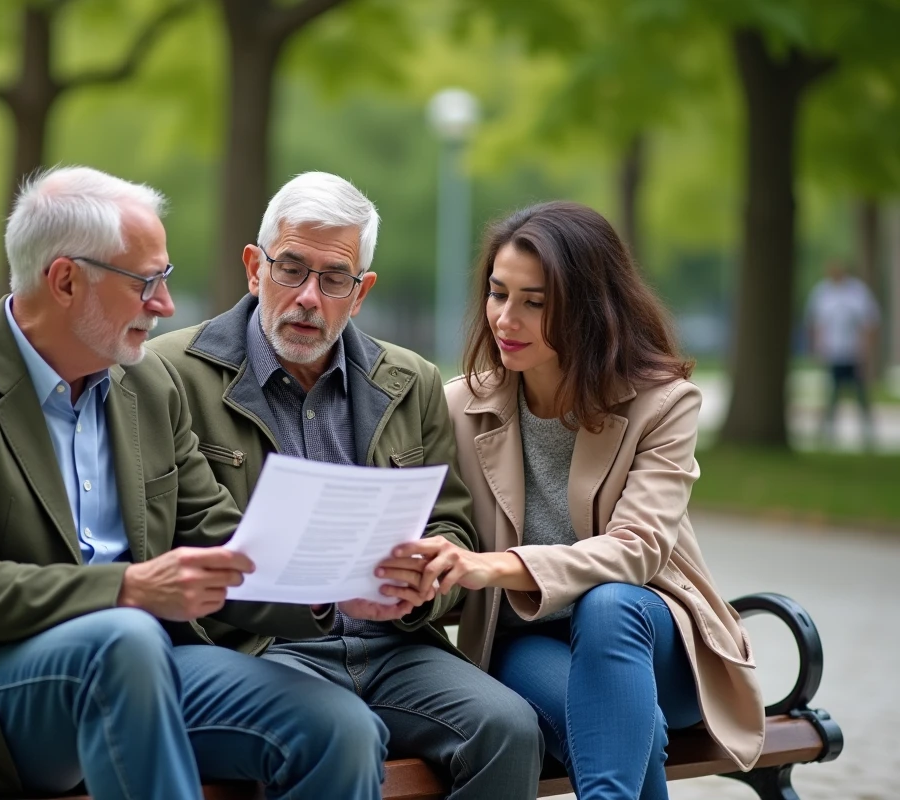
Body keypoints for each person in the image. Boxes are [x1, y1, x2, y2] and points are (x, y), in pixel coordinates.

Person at [0, 166, 389, 800]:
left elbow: (219, 540)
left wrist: (330, 590)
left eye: (163, 281)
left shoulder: (147, 385)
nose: (165, 305)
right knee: (127, 635)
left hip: (144, 670)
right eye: (145, 283)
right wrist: (130, 588)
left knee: (340, 728)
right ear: (64, 280)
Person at [149, 172, 543, 800]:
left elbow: (451, 523)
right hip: (258, 646)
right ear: (254, 268)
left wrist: (427, 578)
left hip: (392, 645)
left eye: (334, 279)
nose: (309, 297)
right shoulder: (170, 373)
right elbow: (161, 538)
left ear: (360, 293)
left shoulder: (407, 379)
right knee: (343, 733)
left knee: (510, 728)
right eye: (290, 270)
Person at [393, 202, 765, 800]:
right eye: (497, 293)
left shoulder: (662, 404)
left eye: (534, 302)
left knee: (610, 605)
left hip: (649, 640)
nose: (505, 319)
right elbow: (438, 532)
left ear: (588, 308)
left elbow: (637, 550)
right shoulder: (458, 407)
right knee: (623, 728)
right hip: (529, 640)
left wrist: (498, 566)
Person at [805, 259, 881, 448]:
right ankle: (827, 434)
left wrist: (867, 351)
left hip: (854, 353)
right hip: (833, 352)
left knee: (861, 394)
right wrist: (817, 348)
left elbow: (870, 322)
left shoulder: (858, 292)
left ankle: (868, 434)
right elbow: (815, 323)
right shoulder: (822, 292)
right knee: (832, 394)